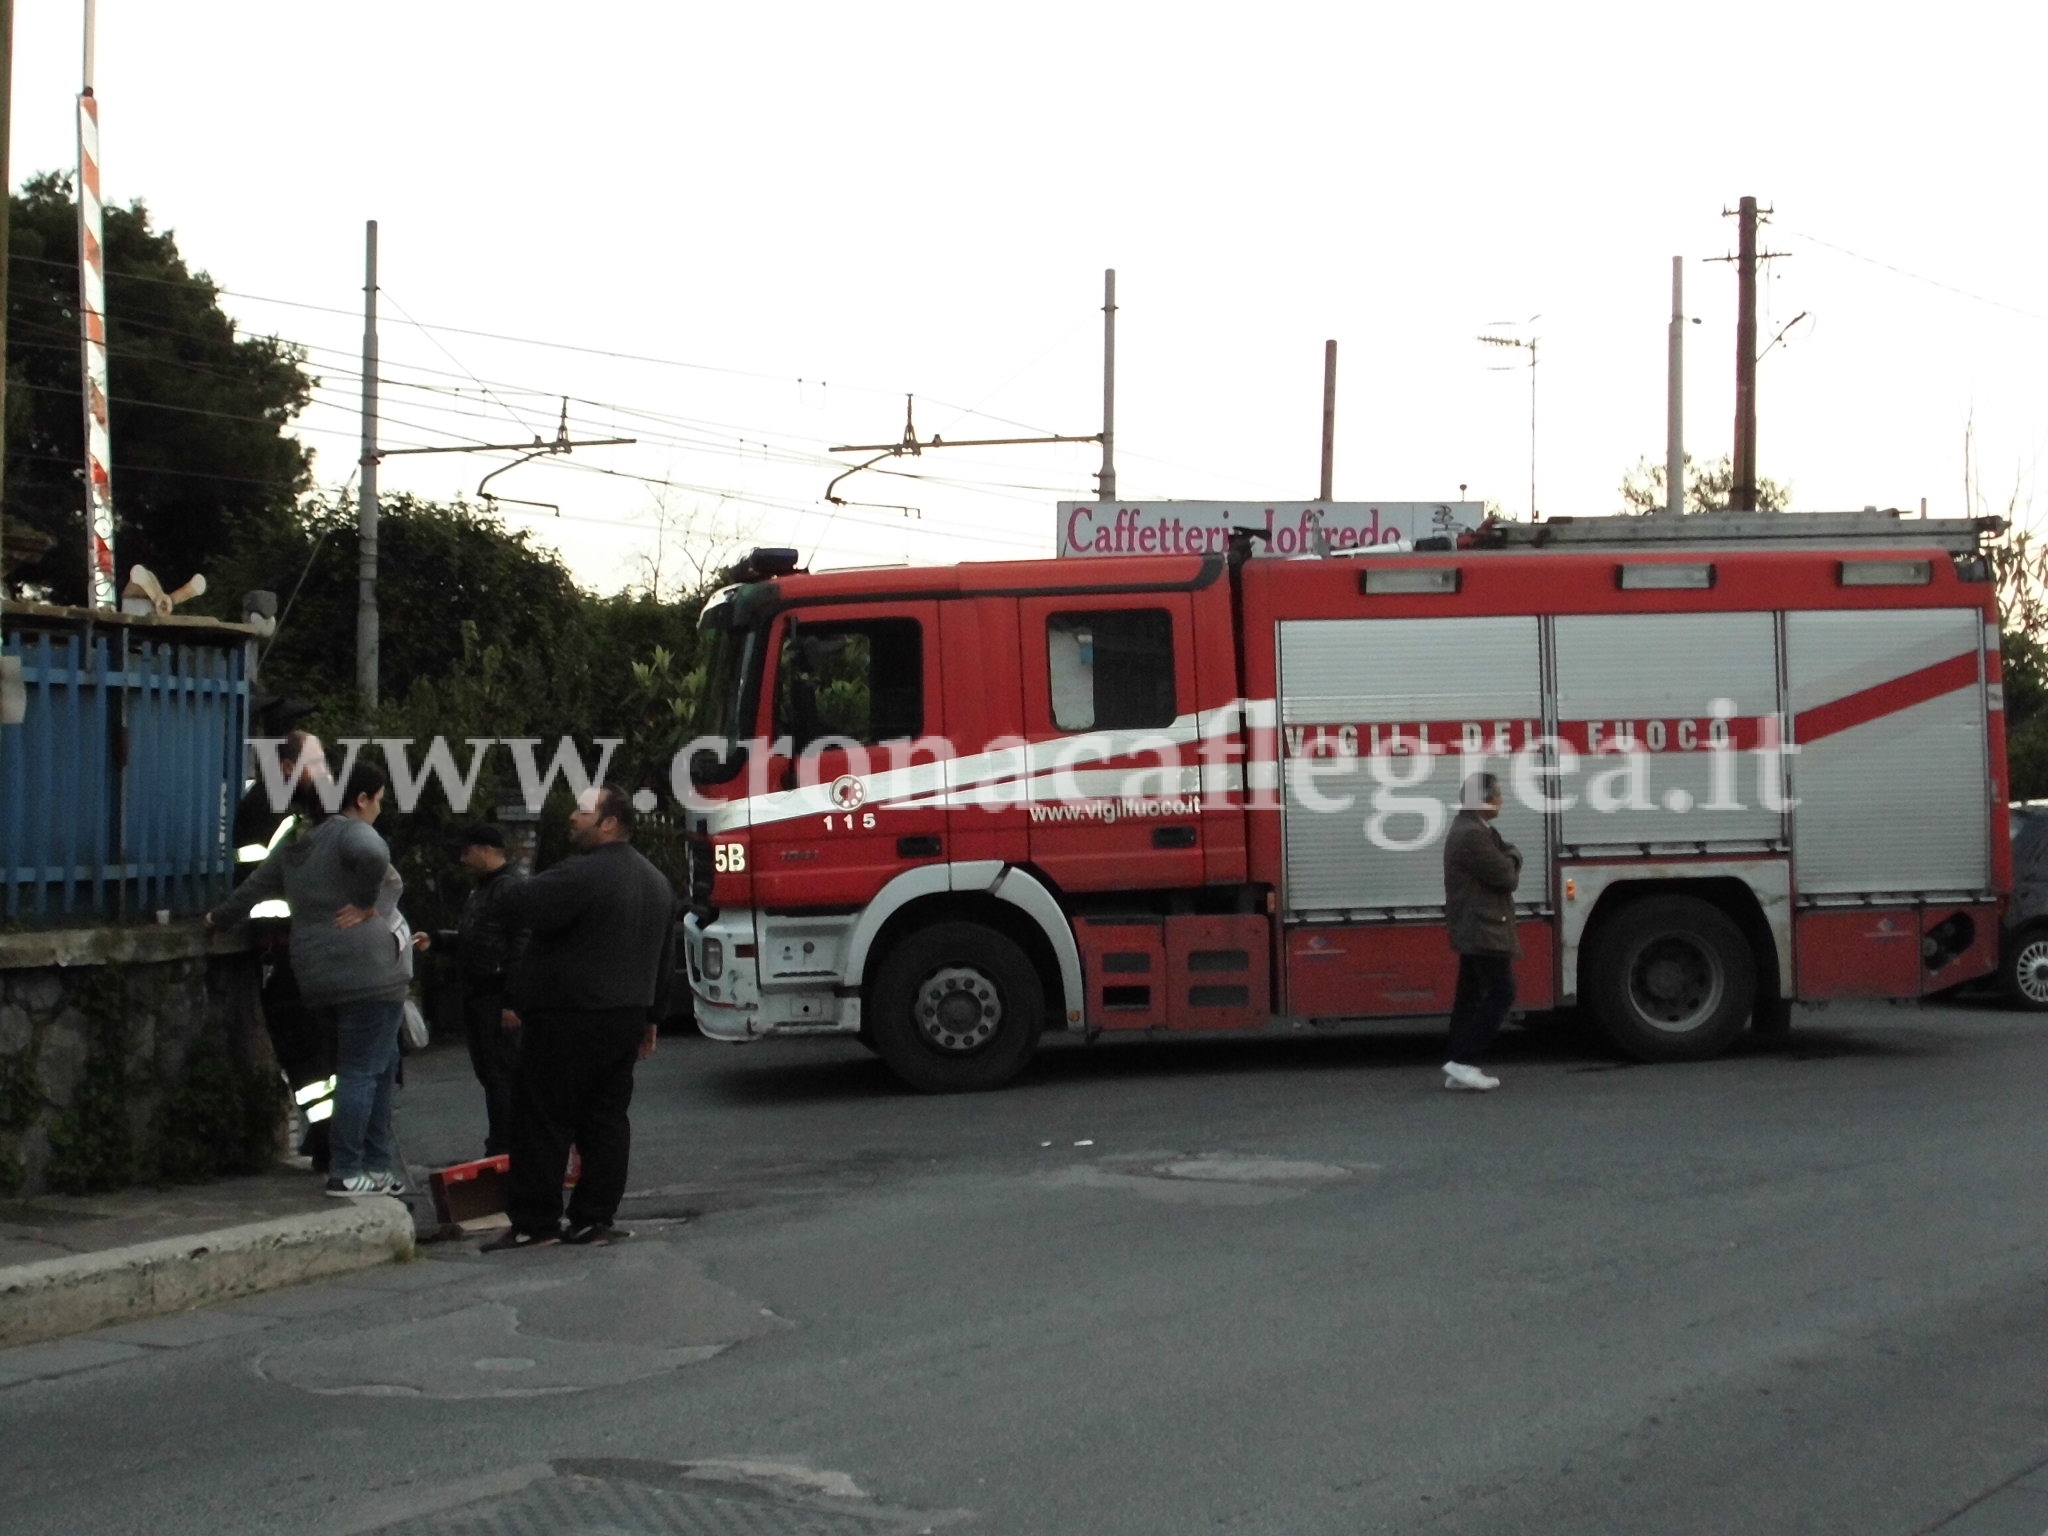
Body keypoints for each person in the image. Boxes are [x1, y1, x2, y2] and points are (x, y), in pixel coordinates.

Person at [209, 761, 427, 1194]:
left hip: (317, 975)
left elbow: (252, 889)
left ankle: (378, 1166)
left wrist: (217, 918)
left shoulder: (297, 847)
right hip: (370, 973)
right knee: (365, 1071)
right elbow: (374, 853)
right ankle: (349, 1169)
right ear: (359, 800)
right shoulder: (350, 831)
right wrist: (366, 902)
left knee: (371, 1068)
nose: (379, 811)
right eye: (378, 801)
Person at [486, 785, 675, 1251]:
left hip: (568, 1016)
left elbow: (517, 906)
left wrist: (499, 872)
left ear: (608, 822)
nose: (571, 817)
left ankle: (536, 1222)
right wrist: (652, 1017)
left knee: (543, 1118)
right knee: (606, 1120)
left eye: (582, 810)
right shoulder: (655, 880)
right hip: (625, 1017)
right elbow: (664, 954)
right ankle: (594, 1219)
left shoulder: (582, 874)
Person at [436, 823, 527, 1156]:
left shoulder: (510, 889)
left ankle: (506, 1146)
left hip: (497, 994)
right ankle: (502, 1143)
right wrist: (439, 941)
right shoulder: (483, 890)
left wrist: (512, 1001)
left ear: (488, 850)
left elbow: (521, 946)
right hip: (478, 993)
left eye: (467, 850)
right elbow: (476, 939)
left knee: (502, 1074)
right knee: (490, 1074)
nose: (462, 858)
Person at [1441, 771, 1522, 1092]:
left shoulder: (1476, 829)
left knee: (1470, 997)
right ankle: (1463, 1061)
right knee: (1502, 992)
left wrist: (1509, 854)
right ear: (1483, 801)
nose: (1501, 801)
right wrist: (1513, 857)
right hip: (1483, 927)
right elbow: (1506, 876)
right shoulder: (1473, 835)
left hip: (1474, 926)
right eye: (1497, 795)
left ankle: (1459, 1065)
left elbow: (1506, 853)